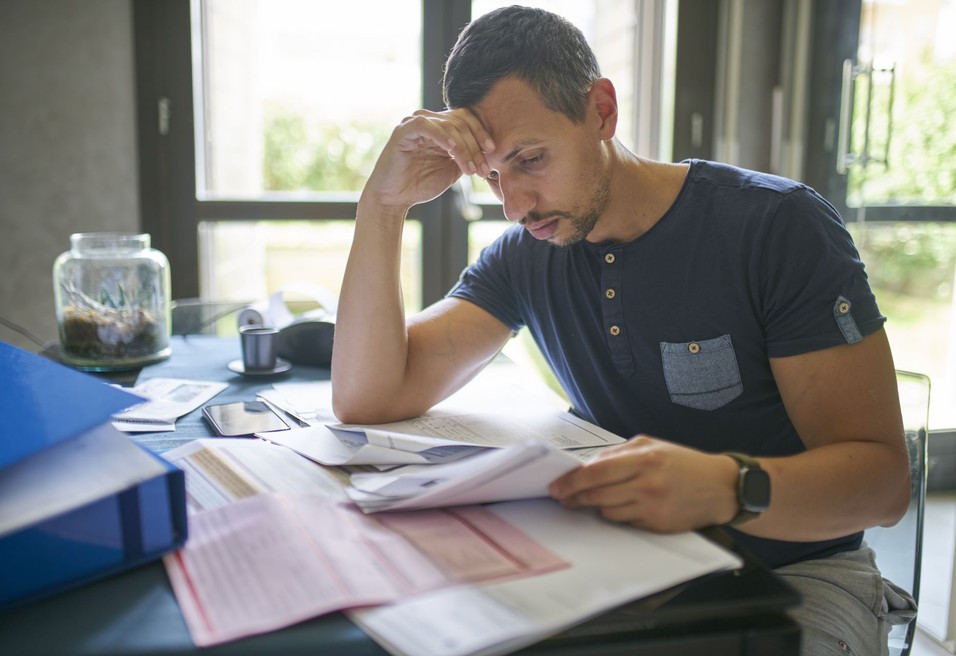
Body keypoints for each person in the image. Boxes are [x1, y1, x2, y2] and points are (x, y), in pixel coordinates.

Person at [331, 5, 916, 654]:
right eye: (494, 175)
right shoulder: (529, 255)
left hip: (797, 574)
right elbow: (370, 396)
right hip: (626, 570)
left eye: (530, 158)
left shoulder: (777, 229)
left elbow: (883, 486)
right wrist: (382, 206)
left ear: (601, 112)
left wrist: (726, 485)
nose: (514, 205)